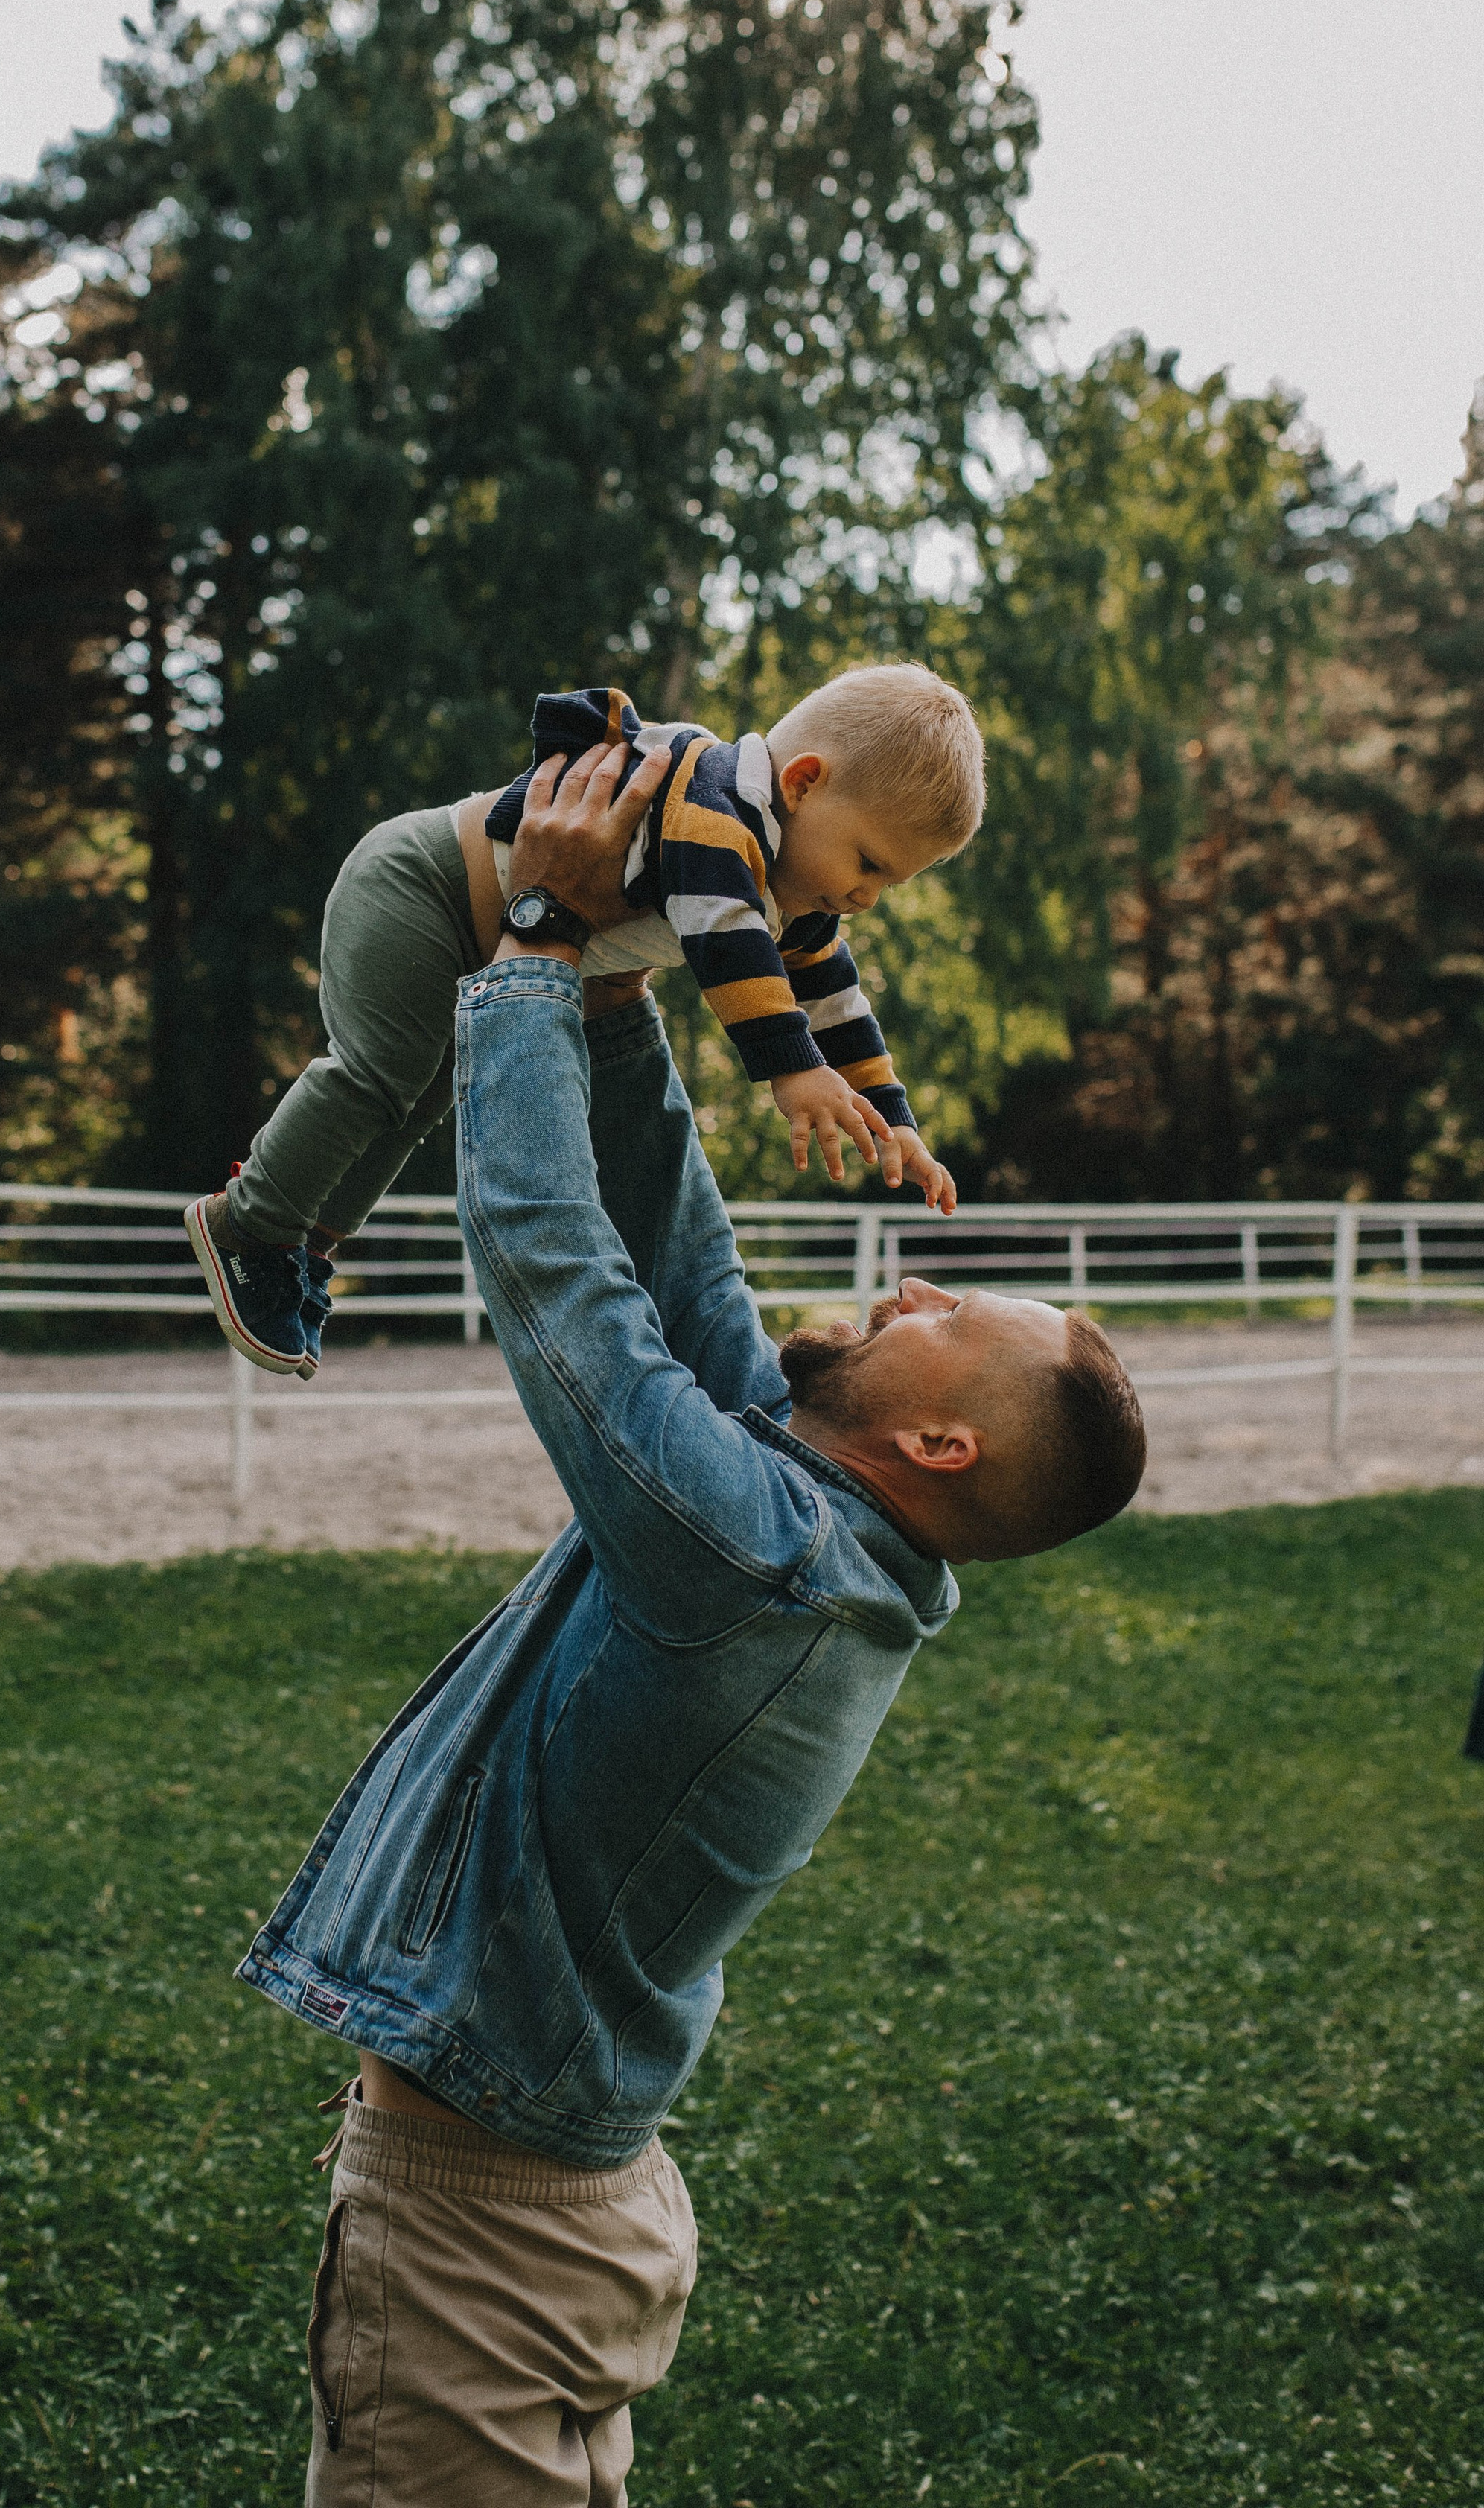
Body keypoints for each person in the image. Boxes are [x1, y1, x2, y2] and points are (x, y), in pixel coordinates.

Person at [236, 740, 1148, 2506]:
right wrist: (610, 973)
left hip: (488, 2229)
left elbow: (555, 1268)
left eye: (948, 1313)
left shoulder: (757, 1558)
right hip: (553, 2193)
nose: (911, 1280)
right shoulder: (817, 1520)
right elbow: (674, 1251)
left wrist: (525, 946)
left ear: (939, 1441)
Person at [185, 661, 984, 1378]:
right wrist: (791, 1068)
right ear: (804, 782)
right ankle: (247, 1224)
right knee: (379, 1077)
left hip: (474, 942)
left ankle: (306, 1244)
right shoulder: (716, 808)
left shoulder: (793, 891)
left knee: (416, 1102)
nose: (866, 897)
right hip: (421, 890)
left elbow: (836, 999)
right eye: (868, 862)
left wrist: (892, 1116)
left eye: (890, 883)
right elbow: (724, 936)